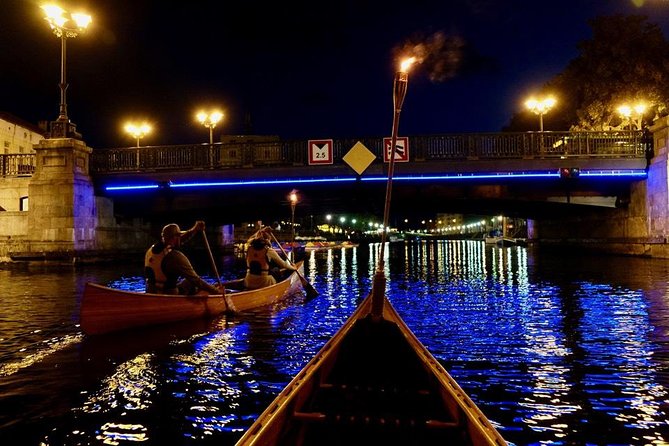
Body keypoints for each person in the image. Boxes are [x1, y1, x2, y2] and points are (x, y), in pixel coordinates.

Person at [144, 221, 223, 295]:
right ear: (175, 237)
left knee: (187, 282)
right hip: (169, 295)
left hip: (151, 292)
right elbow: (196, 280)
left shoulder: (151, 250)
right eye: (178, 236)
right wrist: (217, 291)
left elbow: (178, 240)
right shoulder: (175, 257)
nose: (180, 238)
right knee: (193, 282)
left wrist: (194, 229)